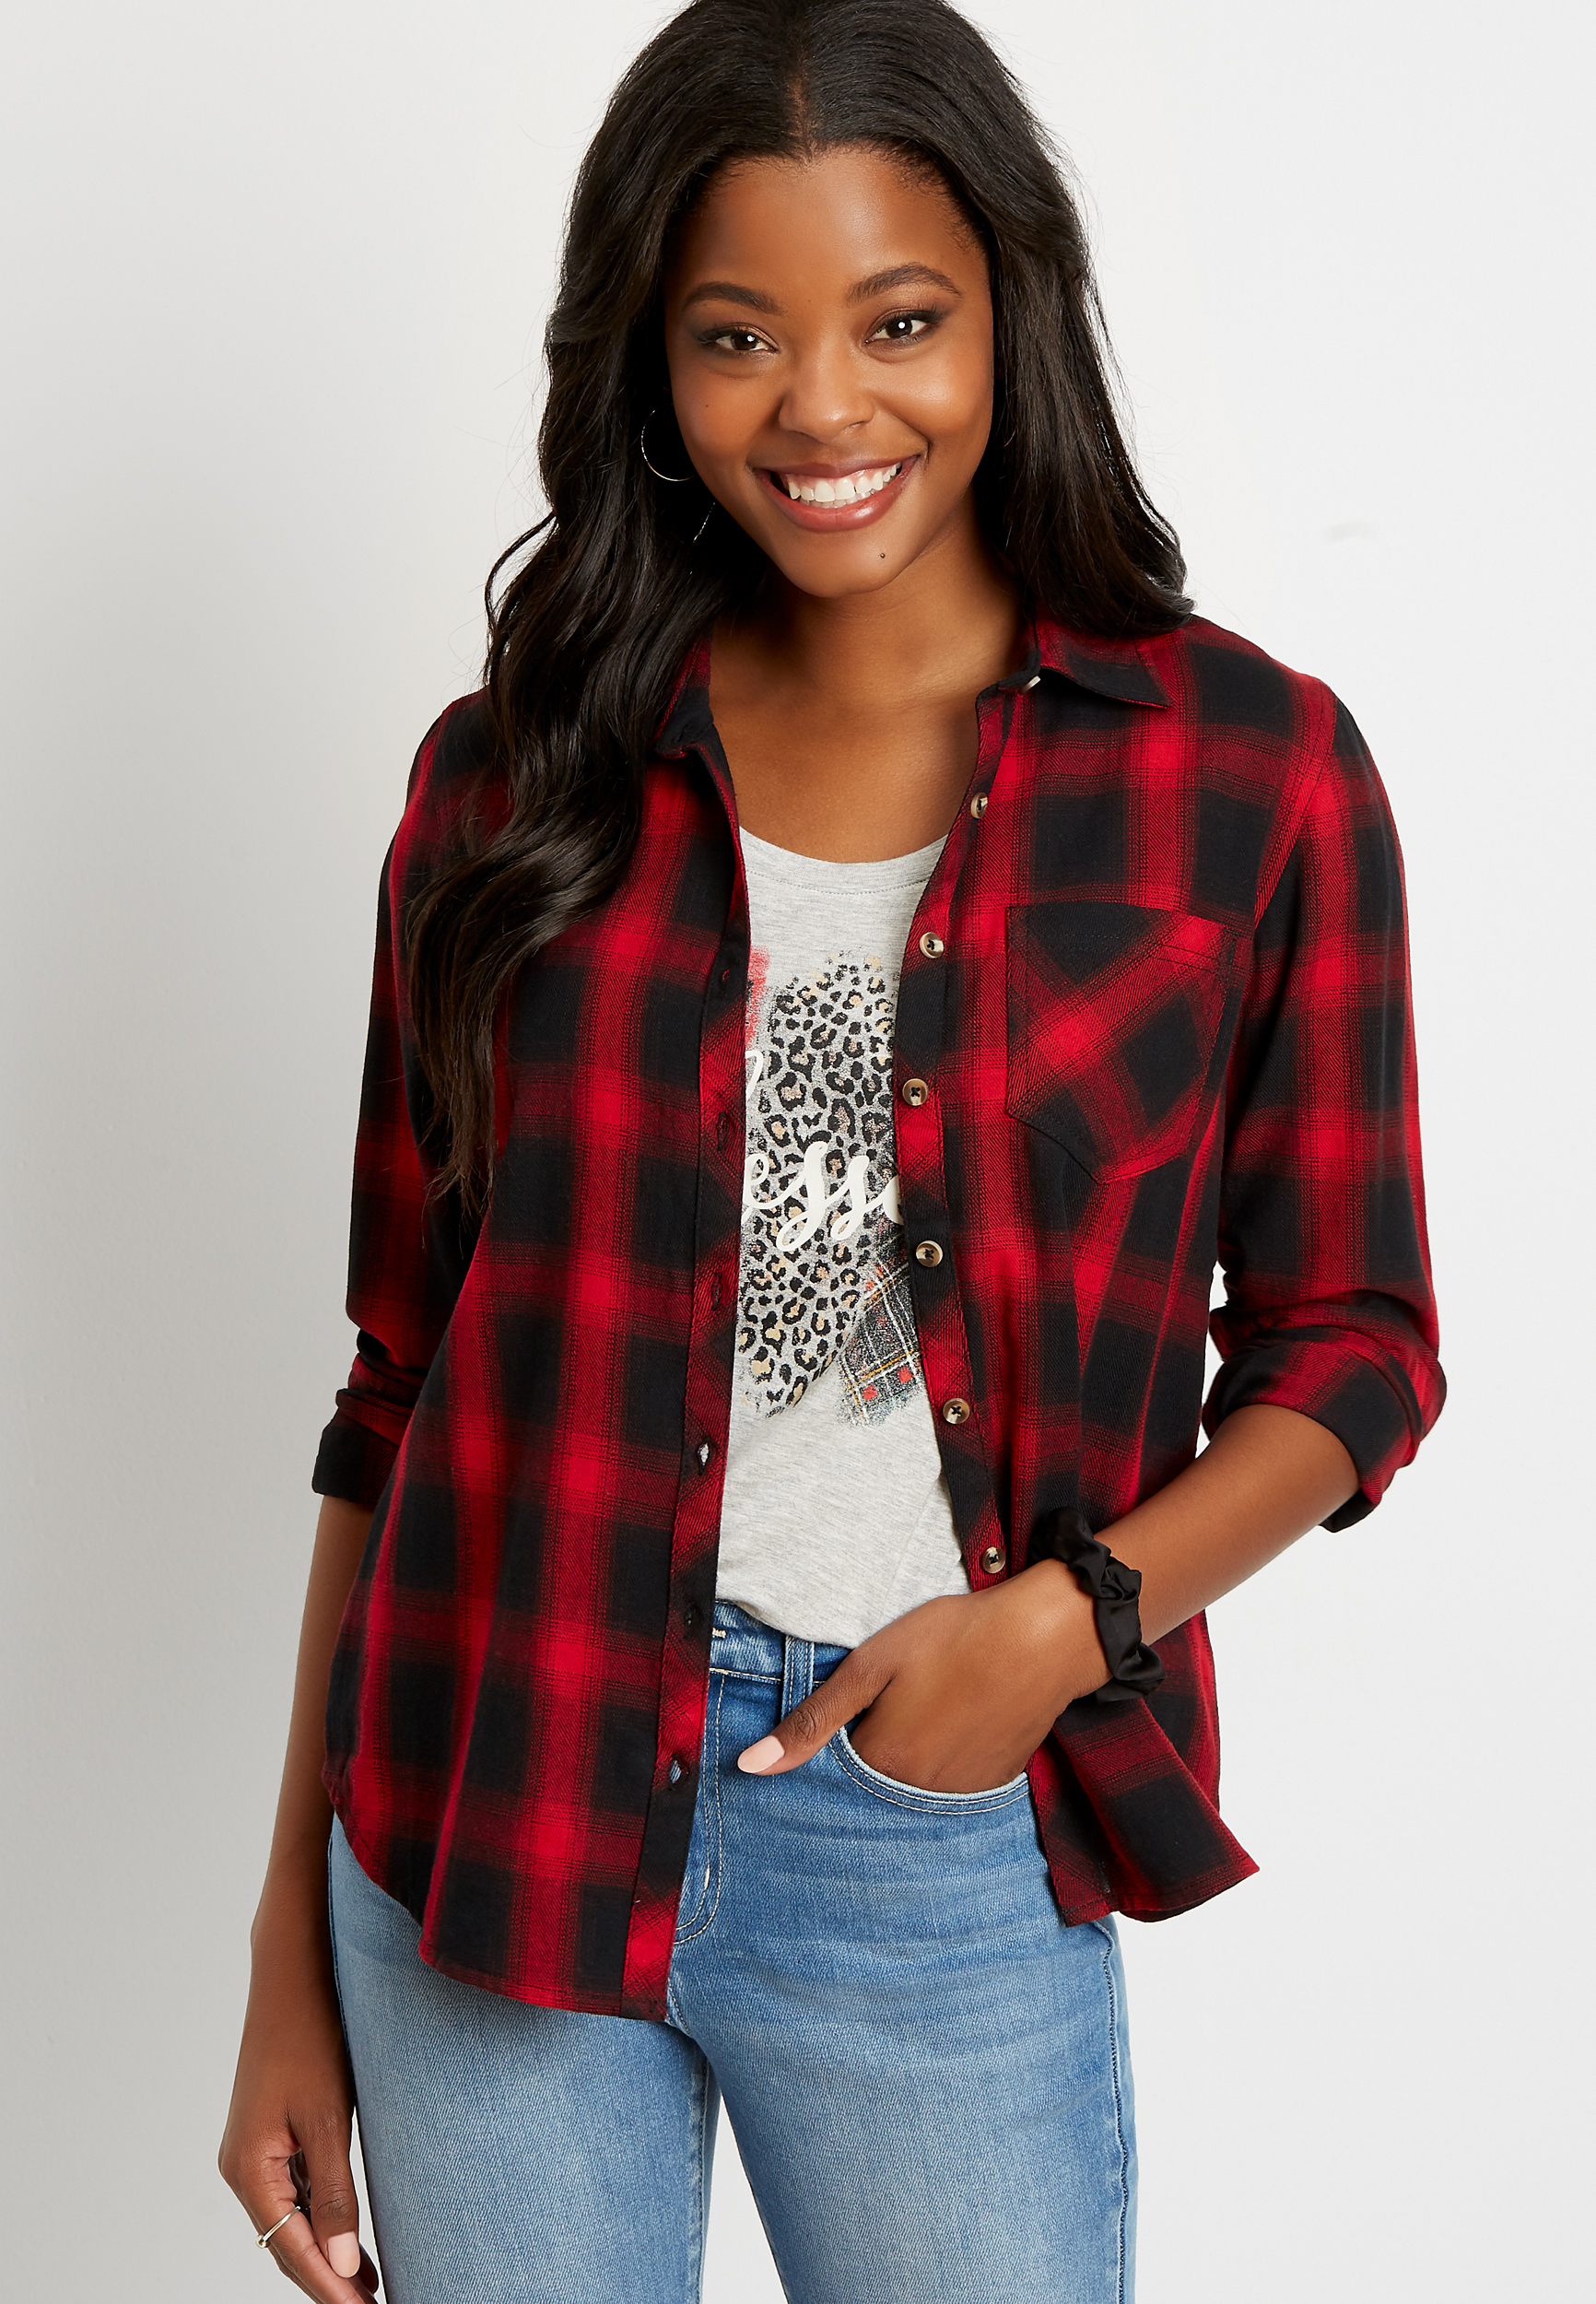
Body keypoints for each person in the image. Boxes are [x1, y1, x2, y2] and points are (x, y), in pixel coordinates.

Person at [218, 3, 1444, 2298]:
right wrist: (287, 1937)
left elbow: (1354, 1343)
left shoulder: (1240, 774)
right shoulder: (516, 778)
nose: (820, 409)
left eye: (896, 322)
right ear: (645, 367)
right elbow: (398, 1374)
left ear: (1010, 312)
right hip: (494, 1789)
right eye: (733, 336)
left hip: (926, 1827)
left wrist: (1059, 1625)